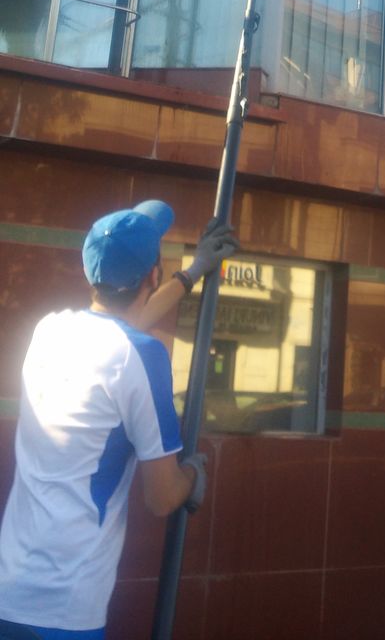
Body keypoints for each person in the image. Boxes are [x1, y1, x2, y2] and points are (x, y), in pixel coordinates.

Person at [0, 199, 239, 640]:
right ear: (154, 274)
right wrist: (193, 475)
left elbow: (123, 327)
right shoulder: (141, 357)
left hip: (8, 589)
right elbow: (162, 498)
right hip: (64, 610)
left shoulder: (51, 330)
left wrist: (192, 273)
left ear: (90, 273)